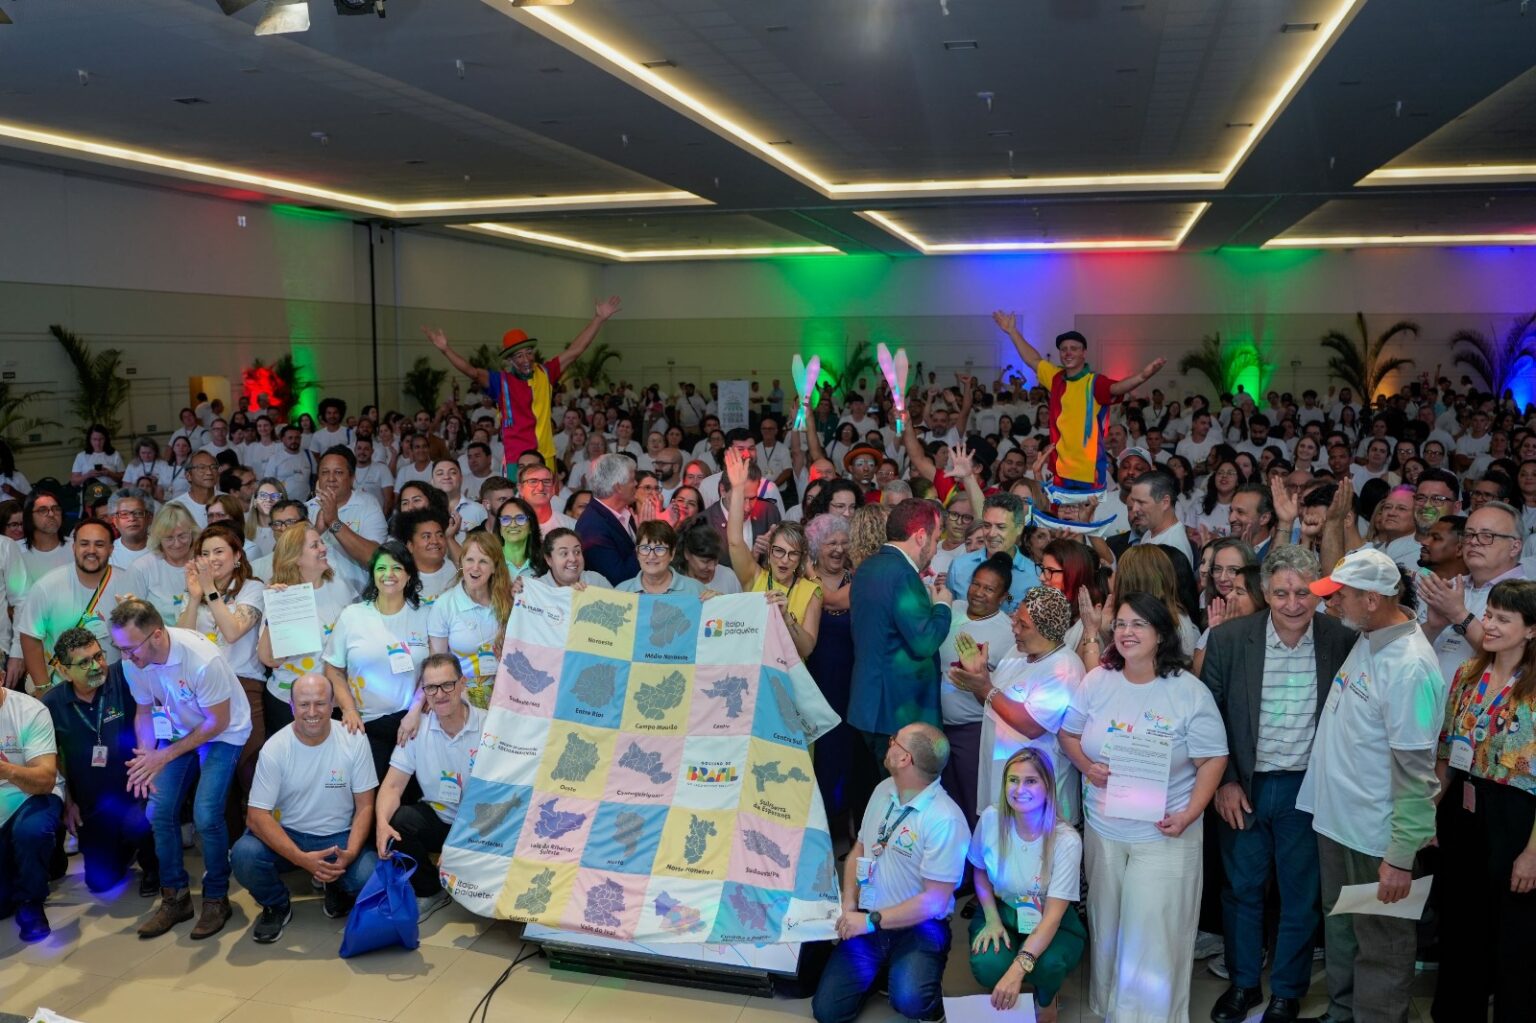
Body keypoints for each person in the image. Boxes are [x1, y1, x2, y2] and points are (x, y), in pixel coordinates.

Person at [1200, 545, 1357, 1023]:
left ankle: (1287, 992)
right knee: (1243, 890)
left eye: (1304, 592)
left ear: (1320, 592)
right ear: (1265, 592)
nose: (1294, 603)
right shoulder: (1229, 639)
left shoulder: (1341, 640)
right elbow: (1209, 719)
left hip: (1309, 788)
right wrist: (1224, 780)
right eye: (1282, 592)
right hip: (1244, 786)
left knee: (1299, 894)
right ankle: (1245, 985)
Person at [1059, 591, 1229, 1022]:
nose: (1127, 632)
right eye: (1120, 624)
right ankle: (1112, 1010)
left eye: (1138, 624)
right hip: (1105, 830)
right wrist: (1087, 766)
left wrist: (1190, 814)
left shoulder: (1188, 691)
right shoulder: (1097, 681)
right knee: (1110, 926)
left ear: (1160, 633)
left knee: (1151, 934)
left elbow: (1213, 758)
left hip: (1165, 833)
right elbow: (1069, 735)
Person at [1299, 547, 1447, 1023]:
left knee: (1382, 943)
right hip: (1339, 822)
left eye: (1339, 596)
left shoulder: (1410, 667)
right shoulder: (1371, 634)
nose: (1331, 605)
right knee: (1343, 930)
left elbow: (1417, 771)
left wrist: (1400, 857)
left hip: (1374, 835)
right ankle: (1343, 1013)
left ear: (1372, 598)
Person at [110, 597, 251, 940]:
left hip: (223, 732)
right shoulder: (135, 662)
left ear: (156, 635)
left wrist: (165, 755)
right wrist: (147, 756)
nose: (125, 657)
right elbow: (144, 711)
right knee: (158, 812)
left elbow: (217, 722)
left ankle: (217, 897)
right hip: (177, 731)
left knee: (205, 813)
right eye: (120, 649)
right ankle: (175, 897)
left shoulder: (202, 660)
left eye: (130, 649)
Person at [811, 723, 968, 1023]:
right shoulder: (883, 790)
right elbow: (859, 849)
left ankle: (925, 1001)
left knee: (910, 999)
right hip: (869, 917)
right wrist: (849, 905)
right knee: (828, 1011)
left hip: (919, 928)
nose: (889, 741)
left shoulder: (944, 820)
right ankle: (882, 970)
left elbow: (935, 902)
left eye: (895, 740)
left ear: (905, 759)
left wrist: (869, 922)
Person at [1432, 579, 1536, 1022]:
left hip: (1518, 819)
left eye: (1502, 619)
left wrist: (1532, 854)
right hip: (1465, 810)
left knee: (1515, 941)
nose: (1489, 626)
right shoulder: (1468, 674)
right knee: (1460, 927)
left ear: (1531, 630)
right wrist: (1427, 813)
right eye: (1488, 615)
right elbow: (1446, 752)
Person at [232, 674, 379, 943]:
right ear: (291, 706)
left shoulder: (354, 739)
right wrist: (303, 859)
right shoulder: (275, 748)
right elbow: (256, 817)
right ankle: (276, 904)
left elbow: (365, 806)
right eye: (304, 704)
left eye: (320, 703)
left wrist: (351, 853)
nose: (312, 712)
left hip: (339, 837)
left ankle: (335, 883)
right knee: (243, 855)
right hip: (291, 835)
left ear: (333, 703)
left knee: (369, 878)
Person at [425, 295, 621, 467]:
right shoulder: (500, 382)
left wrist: (598, 319)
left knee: (547, 506)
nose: (526, 359)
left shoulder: (546, 373)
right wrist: (445, 350)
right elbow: (472, 371)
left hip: (545, 456)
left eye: (529, 353)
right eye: (519, 356)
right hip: (516, 460)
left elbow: (576, 350)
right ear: (510, 360)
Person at [967, 748, 1087, 1023]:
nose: (1019, 789)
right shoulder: (990, 819)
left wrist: (1016, 971)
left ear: (1048, 786)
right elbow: (980, 872)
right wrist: (992, 919)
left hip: (1048, 918)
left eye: (1031, 781)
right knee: (987, 963)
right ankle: (1006, 990)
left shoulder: (1066, 840)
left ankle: (1046, 999)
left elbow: (1053, 917)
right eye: (1013, 780)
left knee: (1049, 964)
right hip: (1003, 910)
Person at [993, 312, 1163, 502]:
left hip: (1088, 473)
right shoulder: (1056, 377)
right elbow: (1033, 360)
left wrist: (1142, 376)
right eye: (1064, 349)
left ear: (1084, 353)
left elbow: (1116, 387)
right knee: (1060, 524)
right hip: (1059, 470)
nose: (1068, 353)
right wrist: (1012, 332)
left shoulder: (1094, 382)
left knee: (1087, 523)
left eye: (1074, 348)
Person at [951, 585, 1084, 825]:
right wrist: (978, 677)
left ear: (1047, 630)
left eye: (1023, 625)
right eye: (1016, 620)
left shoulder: (1063, 668)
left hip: (1037, 797)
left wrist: (985, 687)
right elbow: (991, 703)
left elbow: (1031, 725)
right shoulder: (1017, 652)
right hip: (1001, 781)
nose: (1014, 628)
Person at [42, 627, 157, 897]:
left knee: (138, 823)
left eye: (99, 656)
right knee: (99, 882)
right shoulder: (51, 705)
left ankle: (154, 865)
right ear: (64, 671)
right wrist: (68, 803)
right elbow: (53, 758)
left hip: (136, 791)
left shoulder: (124, 675)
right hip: (92, 804)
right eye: (84, 662)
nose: (97, 666)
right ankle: (124, 847)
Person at [376, 654, 486, 922]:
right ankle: (430, 890)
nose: (440, 694)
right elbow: (392, 785)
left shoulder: (489, 726)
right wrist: (380, 823)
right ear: (423, 692)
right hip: (440, 818)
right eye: (431, 688)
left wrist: (460, 840)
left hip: (482, 823)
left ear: (462, 684)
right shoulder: (416, 729)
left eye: (447, 685)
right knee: (399, 820)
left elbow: (504, 796)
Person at [848, 499, 953, 762]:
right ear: (920, 537)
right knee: (903, 794)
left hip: (870, 705)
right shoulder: (903, 574)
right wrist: (942, 606)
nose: (935, 549)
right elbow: (925, 642)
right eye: (936, 539)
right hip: (899, 712)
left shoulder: (867, 567)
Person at [324, 540, 432, 782]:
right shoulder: (352, 615)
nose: (388, 575)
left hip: (411, 725)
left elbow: (433, 672)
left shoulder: (426, 616)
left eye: (396, 568)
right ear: (372, 575)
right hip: (363, 726)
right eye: (381, 568)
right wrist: (349, 710)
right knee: (365, 800)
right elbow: (333, 668)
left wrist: (415, 711)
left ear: (409, 574)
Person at [933, 553, 1016, 829]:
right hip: (938, 725)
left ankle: (974, 870)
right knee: (943, 802)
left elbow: (1006, 689)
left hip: (975, 730)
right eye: (975, 584)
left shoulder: (1007, 633)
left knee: (972, 804)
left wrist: (980, 678)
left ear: (1004, 597)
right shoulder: (950, 608)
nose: (978, 593)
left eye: (989, 589)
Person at [256, 523, 356, 733]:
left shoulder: (338, 585)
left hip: (333, 701)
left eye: (321, 542)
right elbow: (270, 660)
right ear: (296, 558)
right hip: (288, 702)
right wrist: (275, 613)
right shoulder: (284, 595)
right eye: (314, 545)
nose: (323, 548)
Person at [723, 449, 821, 658]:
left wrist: (786, 617)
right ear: (769, 552)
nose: (784, 560)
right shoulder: (754, 577)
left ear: (802, 558)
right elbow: (734, 541)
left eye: (793, 554)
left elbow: (807, 649)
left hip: (788, 679)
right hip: (752, 673)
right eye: (778, 551)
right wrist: (739, 488)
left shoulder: (812, 591)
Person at [17, 518, 133, 693]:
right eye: (84, 544)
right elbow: (30, 637)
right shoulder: (47, 586)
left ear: (111, 549)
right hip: (63, 687)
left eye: (100, 544)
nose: (91, 551)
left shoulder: (128, 582)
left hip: (115, 687)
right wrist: (42, 688)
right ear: (74, 547)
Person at [1419, 501, 1527, 688]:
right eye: (1469, 535)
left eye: (1487, 536)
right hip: (1428, 705)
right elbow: (1411, 649)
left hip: (1480, 712)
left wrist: (1459, 615)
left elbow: (1511, 659)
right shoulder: (1449, 587)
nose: (1474, 541)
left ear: (1515, 547)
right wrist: (1433, 626)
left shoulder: (1526, 595)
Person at [0, 682, 63, 942]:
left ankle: (31, 901)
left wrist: (5, 770)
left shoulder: (29, 710)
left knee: (30, 832)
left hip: (32, 795)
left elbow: (45, 779)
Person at [427, 531, 513, 708]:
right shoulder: (445, 604)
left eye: (483, 561)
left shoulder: (509, 601)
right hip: (462, 698)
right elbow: (438, 664)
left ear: (495, 567)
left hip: (505, 696)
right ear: (462, 562)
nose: (475, 568)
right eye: (470, 560)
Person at [309, 446, 387, 594]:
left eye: (338, 472)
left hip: (358, 600)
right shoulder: (306, 508)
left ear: (352, 478)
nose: (331, 479)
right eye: (325, 472)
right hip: (317, 600)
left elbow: (375, 558)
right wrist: (316, 531)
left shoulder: (368, 504)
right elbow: (290, 557)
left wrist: (333, 522)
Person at [574, 452, 640, 585]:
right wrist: (646, 538)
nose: (636, 484)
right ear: (618, 487)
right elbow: (620, 580)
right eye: (632, 480)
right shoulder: (592, 527)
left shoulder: (624, 512)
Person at [127, 503, 199, 626]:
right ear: (158, 538)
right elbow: (132, 617)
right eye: (169, 538)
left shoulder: (203, 562)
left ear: (192, 533)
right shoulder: (141, 567)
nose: (177, 544)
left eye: (182, 536)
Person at [20, 489, 71, 581]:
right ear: (29, 516)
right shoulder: (17, 552)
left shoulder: (76, 547)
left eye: (56, 509)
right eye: (43, 510)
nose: (51, 514)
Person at [106, 487, 153, 570]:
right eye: (124, 514)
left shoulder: (163, 550)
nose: (132, 518)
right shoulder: (107, 553)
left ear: (149, 518)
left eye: (138, 513)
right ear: (114, 521)